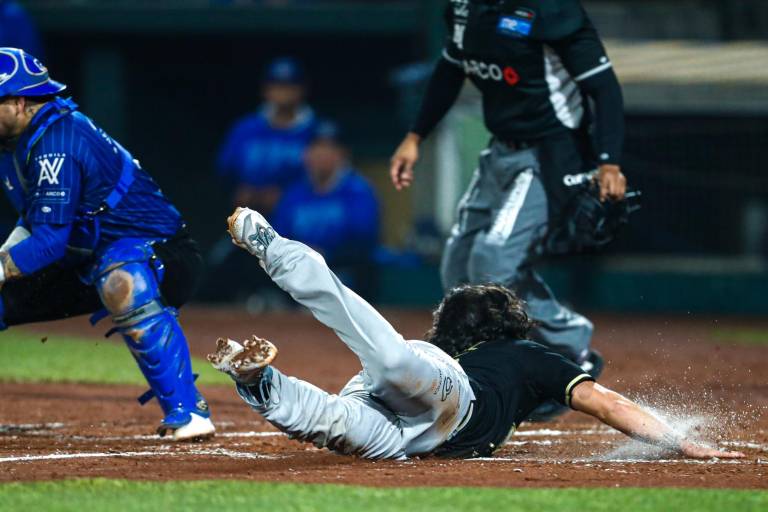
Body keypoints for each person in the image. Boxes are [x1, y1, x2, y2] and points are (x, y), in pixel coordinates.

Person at [208, 207, 743, 461]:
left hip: (411, 439)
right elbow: (604, 402)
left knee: (333, 423)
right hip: (448, 397)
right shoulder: (524, 355)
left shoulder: (493, 354)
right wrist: (677, 441)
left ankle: (257, 381)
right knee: (388, 361)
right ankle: (274, 248)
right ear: (505, 325)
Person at [389, 1, 626, 393]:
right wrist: (415, 136)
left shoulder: (551, 11)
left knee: (494, 261)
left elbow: (604, 88)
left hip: (550, 153)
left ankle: (572, 346)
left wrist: (609, 163)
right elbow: (450, 68)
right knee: (458, 264)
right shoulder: (465, 8)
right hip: (500, 149)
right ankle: (476, 366)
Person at [0, 48, 215, 440]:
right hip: (86, 259)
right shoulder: (17, 144)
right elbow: (35, 222)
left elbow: (49, 244)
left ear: (18, 102)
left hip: (162, 254)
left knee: (120, 275)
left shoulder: (57, 142)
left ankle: (188, 411)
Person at [271, 121, 379, 297]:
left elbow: (363, 240)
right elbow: (279, 236)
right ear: (306, 154)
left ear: (342, 154)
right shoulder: (294, 193)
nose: (322, 154)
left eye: (330, 148)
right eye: (316, 147)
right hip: (298, 270)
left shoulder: (358, 190)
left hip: (343, 270)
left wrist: (323, 254)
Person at [216, 56, 318, 216]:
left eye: (290, 85)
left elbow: (326, 181)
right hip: (249, 217)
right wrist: (241, 190)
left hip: (297, 220)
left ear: (302, 89)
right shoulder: (246, 128)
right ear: (265, 89)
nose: (283, 92)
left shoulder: (316, 131)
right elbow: (225, 169)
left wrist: (287, 195)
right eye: (277, 84)